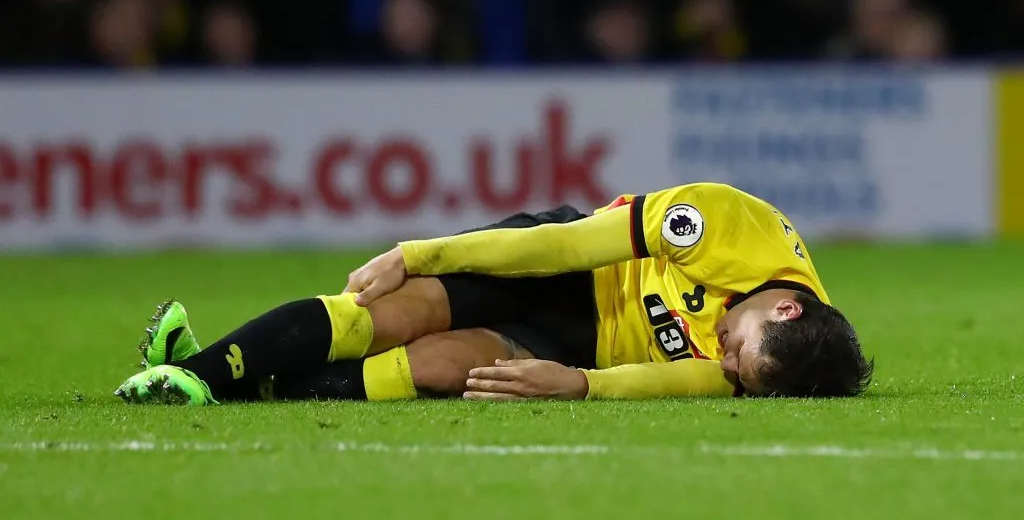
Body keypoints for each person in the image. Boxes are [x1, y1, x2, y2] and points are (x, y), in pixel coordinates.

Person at [115, 183, 873, 404]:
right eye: (737, 351)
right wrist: (415, 252)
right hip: (570, 270)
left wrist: (576, 383)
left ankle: (207, 373)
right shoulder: (724, 223)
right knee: (388, 315)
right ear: (784, 306)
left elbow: (675, 375)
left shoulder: (781, 361)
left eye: (739, 374)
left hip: (586, 344)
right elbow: (560, 244)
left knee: (442, 367)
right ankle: (200, 374)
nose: (726, 363)